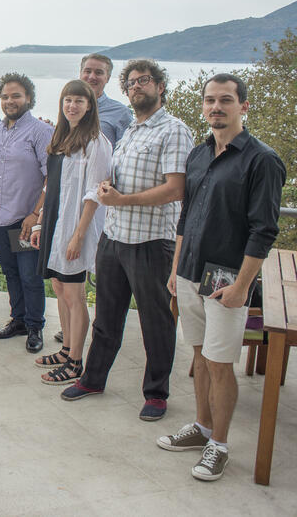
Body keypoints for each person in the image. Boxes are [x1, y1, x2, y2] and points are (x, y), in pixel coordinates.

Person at [157, 73, 285, 481]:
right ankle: (202, 427)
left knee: (220, 363)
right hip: (190, 273)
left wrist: (242, 287)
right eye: (210, 100)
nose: (216, 107)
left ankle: (220, 445)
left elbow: (263, 230)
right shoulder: (198, 154)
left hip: (227, 280)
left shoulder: (262, 160)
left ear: (243, 106)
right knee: (199, 356)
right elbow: (186, 217)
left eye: (226, 100)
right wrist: (176, 269)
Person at [61, 59, 193, 423]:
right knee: (107, 317)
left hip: (150, 241)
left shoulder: (174, 130)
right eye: (131, 83)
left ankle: (156, 394)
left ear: (160, 87)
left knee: (156, 322)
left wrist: (122, 200)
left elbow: (176, 189)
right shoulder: (132, 130)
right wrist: (109, 189)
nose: (136, 87)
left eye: (144, 81)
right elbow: (121, 179)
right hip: (115, 237)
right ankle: (93, 380)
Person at [30, 80, 112, 384]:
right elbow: (51, 185)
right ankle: (65, 349)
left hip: (75, 226)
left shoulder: (96, 142)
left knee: (74, 293)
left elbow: (94, 194)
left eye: (79, 100)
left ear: (89, 106)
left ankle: (75, 361)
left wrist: (78, 235)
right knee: (59, 287)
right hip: (54, 222)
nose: (72, 106)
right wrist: (40, 223)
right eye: (68, 100)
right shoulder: (61, 137)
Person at [0, 73, 53, 353]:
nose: (9, 101)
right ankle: (18, 320)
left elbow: (52, 177)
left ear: (28, 98)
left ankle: (35, 326)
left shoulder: (40, 131)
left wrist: (36, 214)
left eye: (16, 95)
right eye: (5, 96)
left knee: (29, 276)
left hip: (24, 219)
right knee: (11, 273)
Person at [79, 53, 133, 147]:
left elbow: (127, 150)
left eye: (98, 73)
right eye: (87, 71)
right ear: (80, 74)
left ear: (107, 78)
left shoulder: (121, 113)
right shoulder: (69, 108)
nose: (92, 77)